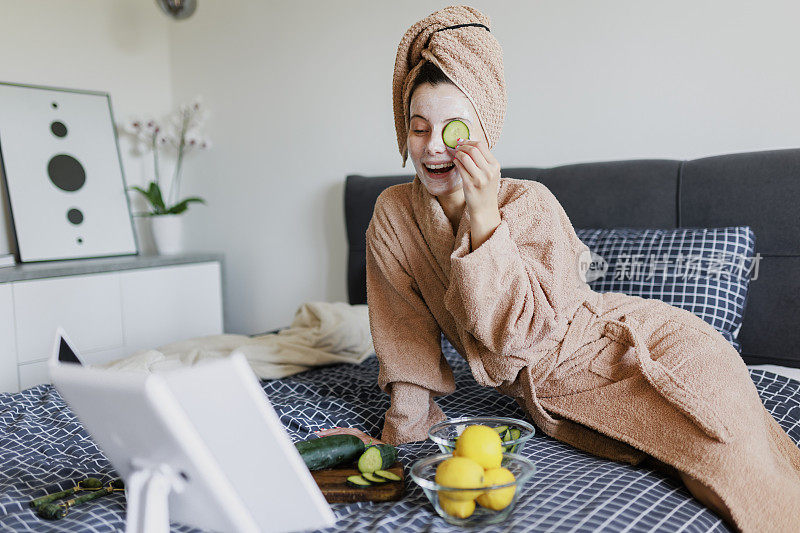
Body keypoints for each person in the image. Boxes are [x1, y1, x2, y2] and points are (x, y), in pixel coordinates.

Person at [365, 5, 800, 533]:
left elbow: (512, 342)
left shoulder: (531, 206)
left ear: (486, 129)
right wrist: (404, 442)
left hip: (648, 346)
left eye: (454, 128)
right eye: (417, 128)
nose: (433, 146)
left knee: (733, 474)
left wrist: (484, 218)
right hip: (560, 396)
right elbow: (405, 340)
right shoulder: (394, 215)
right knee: (702, 468)